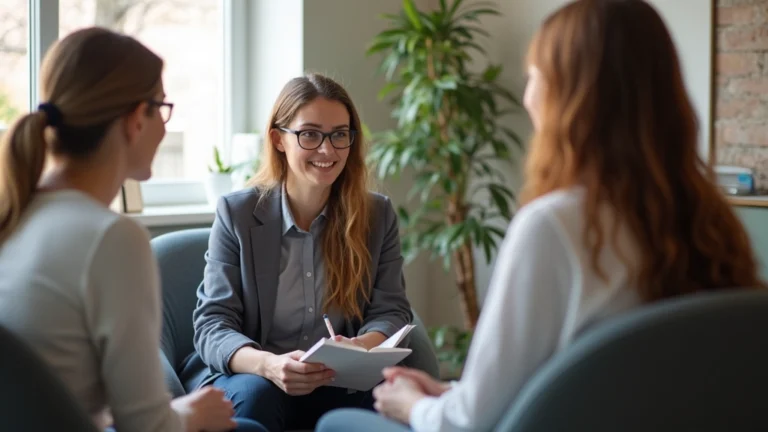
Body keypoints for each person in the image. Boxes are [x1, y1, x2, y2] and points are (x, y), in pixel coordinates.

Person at [314, 0, 767, 431]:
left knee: (336, 423)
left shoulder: (556, 225)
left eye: (535, 76)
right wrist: (451, 393)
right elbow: (607, 385)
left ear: (570, 98)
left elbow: (471, 424)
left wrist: (416, 406)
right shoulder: (709, 219)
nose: (528, 95)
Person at [0, 27, 265, 432]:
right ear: (133, 120)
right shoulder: (110, 238)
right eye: (160, 106)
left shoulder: (16, 214)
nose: (163, 123)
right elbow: (146, 425)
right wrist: (194, 413)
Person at [189, 72, 413, 431]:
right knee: (257, 395)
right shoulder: (237, 213)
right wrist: (268, 365)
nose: (328, 150)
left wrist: (359, 347)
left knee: (389, 398)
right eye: (310, 134)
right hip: (260, 376)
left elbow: (391, 309)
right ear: (279, 139)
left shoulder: (377, 214)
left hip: (339, 379)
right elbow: (212, 324)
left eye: (340, 135)